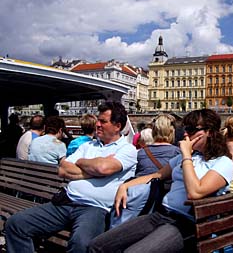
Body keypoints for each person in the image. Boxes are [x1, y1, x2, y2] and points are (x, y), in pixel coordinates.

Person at [88, 109, 233, 253]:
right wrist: (125, 185)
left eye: (191, 130)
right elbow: (157, 175)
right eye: (184, 129)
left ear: (209, 132)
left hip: (187, 224)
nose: (186, 134)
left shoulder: (223, 162)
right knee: (97, 245)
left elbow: (195, 192)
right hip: (162, 214)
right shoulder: (187, 157)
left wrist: (187, 156)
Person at [5, 101, 138, 253]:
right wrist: (93, 169)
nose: (98, 125)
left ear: (118, 126)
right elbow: (63, 169)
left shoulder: (128, 149)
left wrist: (81, 162)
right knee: (16, 224)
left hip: (95, 208)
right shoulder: (87, 146)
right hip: (66, 201)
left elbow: (104, 168)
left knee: (82, 244)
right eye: (98, 120)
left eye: (103, 121)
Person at [110, 114, 180, 228]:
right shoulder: (177, 153)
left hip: (137, 194)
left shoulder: (141, 152)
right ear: (171, 132)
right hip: (160, 200)